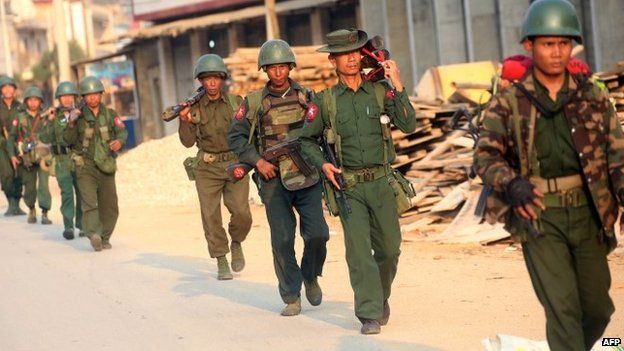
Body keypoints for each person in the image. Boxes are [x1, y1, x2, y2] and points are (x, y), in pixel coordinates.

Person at [474, 1, 618, 349]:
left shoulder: (592, 97)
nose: (557, 52)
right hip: (539, 214)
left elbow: (618, 156)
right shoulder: (510, 101)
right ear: (529, 45)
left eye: (564, 43)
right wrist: (513, 183)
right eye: (548, 44)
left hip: (588, 213)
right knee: (562, 309)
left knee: (599, 309)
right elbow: (485, 157)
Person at [300, 29, 416, 334]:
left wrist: (397, 82)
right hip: (348, 186)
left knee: (390, 250)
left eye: (357, 53)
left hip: (382, 182)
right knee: (360, 253)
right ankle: (368, 312)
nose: (352, 59)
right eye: (345, 54)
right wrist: (322, 164)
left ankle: (380, 296)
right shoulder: (325, 101)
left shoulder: (379, 91)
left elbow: (408, 123)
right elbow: (306, 141)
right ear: (333, 60)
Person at [228, 39, 329, 316]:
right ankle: (291, 295)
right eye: (272, 68)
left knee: (318, 234)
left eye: (283, 66)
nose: (278, 72)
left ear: (290, 67)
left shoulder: (308, 97)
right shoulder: (253, 102)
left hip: (307, 175)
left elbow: (323, 130)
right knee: (283, 239)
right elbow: (235, 137)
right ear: (265, 70)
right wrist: (258, 161)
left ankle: (310, 275)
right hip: (273, 179)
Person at [177, 54, 252, 280]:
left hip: (234, 163)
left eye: (215, 78)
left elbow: (247, 132)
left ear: (222, 79)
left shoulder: (235, 103)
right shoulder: (194, 108)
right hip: (207, 167)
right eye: (206, 79)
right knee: (210, 215)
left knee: (242, 212)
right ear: (200, 81)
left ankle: (237, 241)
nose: (211, 83)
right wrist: (185, 121)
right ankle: (221, 258)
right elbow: (188, 143)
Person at [64, 76, 127, 252]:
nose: (92, 98)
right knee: (89, 203)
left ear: (101, 95)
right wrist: (70, 122)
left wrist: (119, 142)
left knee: (110, 205)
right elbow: (67, 139)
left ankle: (105, 237)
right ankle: (93, 235)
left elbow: (122, 132)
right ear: (83, 97)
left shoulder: (110, 114)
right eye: (88, 95)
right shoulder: (76, 117)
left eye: (96, 94)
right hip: (85, 166)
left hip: (106, 164)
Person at [41, 81, 84, 239]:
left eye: (69, 96)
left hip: (78, 158)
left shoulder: (80, 113)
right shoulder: (55, 116)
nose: (66, 99)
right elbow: (45, 137)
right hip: (61, 159)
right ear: (59, 98)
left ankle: (82, 225)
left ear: (73, 97)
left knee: (81, 192)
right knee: (66, 193)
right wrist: (50, 120)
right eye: (63, 96)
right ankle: (69, 226)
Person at [8, 86, 52, 224]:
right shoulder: (19, 118)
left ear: (40, 101)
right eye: (30, 100)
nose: (33, 103)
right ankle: (31, 208)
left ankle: (45, 212)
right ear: (26, 101)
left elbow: (54, 132)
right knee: (29, 187)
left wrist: (51, 120)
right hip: (26, 157)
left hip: (43, 157)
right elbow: (11, 137)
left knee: (44, 185)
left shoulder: (47, 116)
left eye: (36, 100)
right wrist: (12, 155)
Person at [0, 75, 26, 216]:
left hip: (19, 144)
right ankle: (11, 203)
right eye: (5, 87)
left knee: (19, 174)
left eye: (11, 87)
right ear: (1, 90)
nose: (8, 90)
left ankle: (17, 204)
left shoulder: (21, 107)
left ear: (15, 89)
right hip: (2, 146)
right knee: (6, 174)